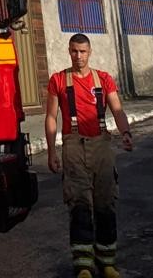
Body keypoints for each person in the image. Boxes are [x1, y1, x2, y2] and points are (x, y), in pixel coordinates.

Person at [45, 33, 134, 278]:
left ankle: (107, 262)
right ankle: (83, 265)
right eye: (74, 51)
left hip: (102, 147)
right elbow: (51, 116)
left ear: (90, 52)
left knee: (105, 203)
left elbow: (117, 109)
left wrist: (126, 133)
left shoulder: (104, 79)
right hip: (73, 147)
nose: (78, 56)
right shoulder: (58, 80)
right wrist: (52, 151)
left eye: (83, 51)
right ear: (69, 51)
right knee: (79, 204)